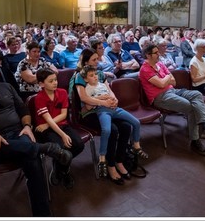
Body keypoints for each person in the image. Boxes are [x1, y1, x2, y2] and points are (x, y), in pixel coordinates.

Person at [0, 58, 73, 217]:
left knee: (32, 159)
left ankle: (42, 215)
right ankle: (45, 148)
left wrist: (27, 126)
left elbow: (23, 111)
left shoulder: (6, 87)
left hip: (18, 134)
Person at [139, 44, 205, 157]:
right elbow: (162, 83)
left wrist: (165, 79)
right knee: (190, 106)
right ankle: (196, 140)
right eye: (156, 53)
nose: (159, 54)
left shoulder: (160, 64)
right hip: (160, 97)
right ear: (148, 55)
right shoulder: (145, 69)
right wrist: (166, 78)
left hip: (172, 91)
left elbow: (174, 81)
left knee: (196, 94)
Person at [73, 48, 135, 185]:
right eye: (94, 60)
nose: (98, 61)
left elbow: (109, 90)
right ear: (85, 62)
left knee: (126, 126)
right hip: (89, 113)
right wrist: (103, 102)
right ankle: (110, 165)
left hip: (105, 109)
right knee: (112, 130)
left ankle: (119, 161)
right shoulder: (80, 76)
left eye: (97, 59)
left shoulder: (99, 73)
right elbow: (84, 97)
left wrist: (114, 100)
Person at [79, 65, 147, 168]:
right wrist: (102, 98)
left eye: (96, 74)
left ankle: (136, 146)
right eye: (91, 75)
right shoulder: (88, 88)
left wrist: (113, 99)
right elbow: (88, 105)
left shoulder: (102, 84)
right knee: (107, 130)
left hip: (115, 109)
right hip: (103, 111)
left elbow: (111, 95)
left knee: (136, 122)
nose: (95, 77)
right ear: (85, 79)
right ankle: (102, 157)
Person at [33, 68, 84, 190]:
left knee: (79, 145)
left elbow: (63, 115)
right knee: (61, 148)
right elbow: (48, 120)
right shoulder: (39, 97)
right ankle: (65, 171)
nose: (55, 83)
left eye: (55, 80)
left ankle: (60, 167)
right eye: (51, 81)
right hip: (46, 131)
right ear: (41, 84)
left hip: (60, 125)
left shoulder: (62, 92)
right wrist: (62, 134)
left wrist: (47, 124)